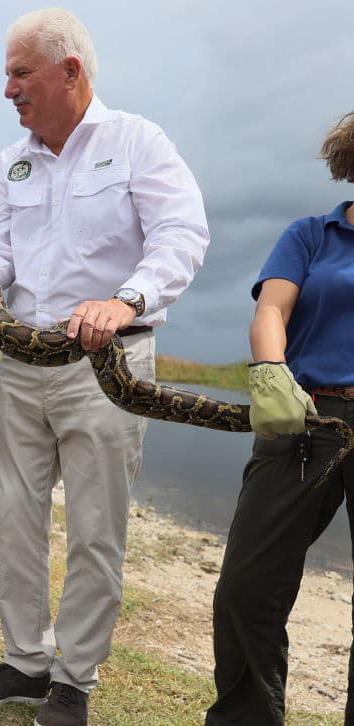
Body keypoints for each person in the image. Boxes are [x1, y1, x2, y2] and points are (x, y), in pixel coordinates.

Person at [0, 9, 209, 724]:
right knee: (15, 517)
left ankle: (75, 680)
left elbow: (181, 235)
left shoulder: (139, 142)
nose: (7, 88)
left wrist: (125, 300)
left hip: (109, 363)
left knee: (97, 527)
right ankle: (25, 662)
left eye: (19, 72)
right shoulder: (11, 161)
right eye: (7, 74)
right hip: (22, 360)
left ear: (70, 71)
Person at [205, 112, 354, 725]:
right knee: (247, 585)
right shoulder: (310, 234)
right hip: (305, 418)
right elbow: (272, 308)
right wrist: (271, 372)